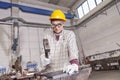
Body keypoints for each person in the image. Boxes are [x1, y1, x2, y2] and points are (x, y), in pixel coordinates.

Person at [40, 9, 79, 79]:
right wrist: (44, 58)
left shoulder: (69, 34)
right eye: (54, 25)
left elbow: (73, 51)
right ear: (51, 24)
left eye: (59, 25)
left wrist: (74, 64)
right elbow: (43, 51)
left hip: (65, 70)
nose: (56, 28)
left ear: (63, 23)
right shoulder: (47, 35)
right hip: (51, 71)